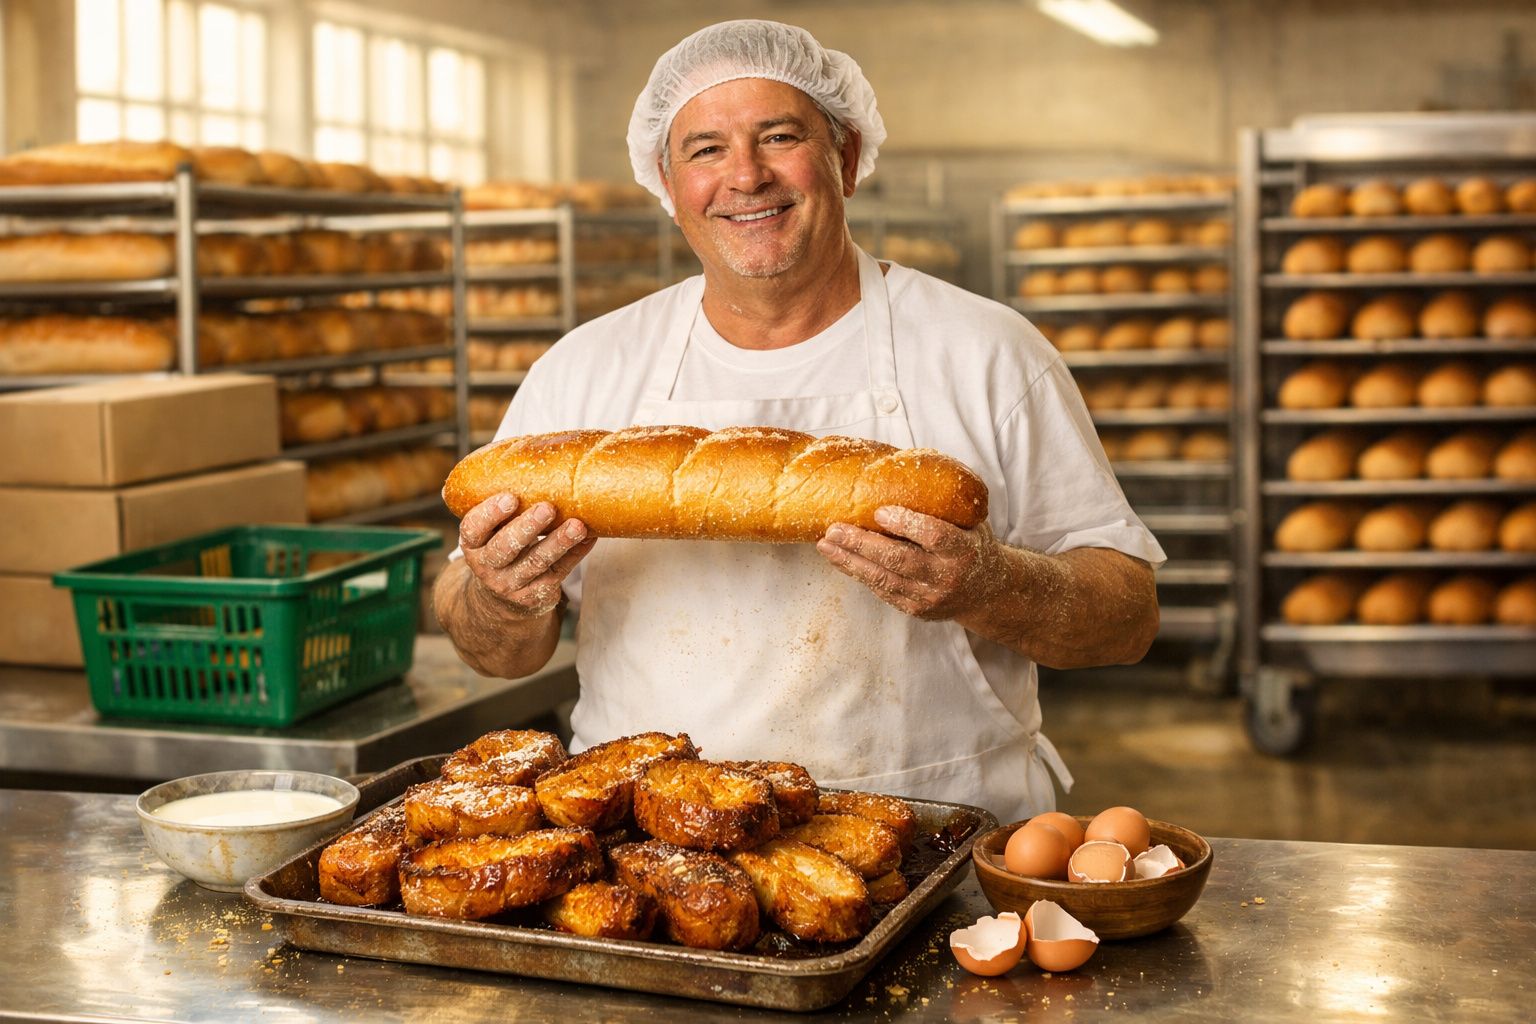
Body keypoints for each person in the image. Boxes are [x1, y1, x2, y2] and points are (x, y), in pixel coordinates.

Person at [434, 19, 1164, 822]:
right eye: (704, 149)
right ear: (667, 184)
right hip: (652, 848)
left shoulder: (987, 352)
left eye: (778, 137)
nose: (744, 176)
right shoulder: (586, 370)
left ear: (845, 159)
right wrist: (501, 599)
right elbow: (491, 649)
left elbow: (1127, 618)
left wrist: (993, 586)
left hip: (939, 829)